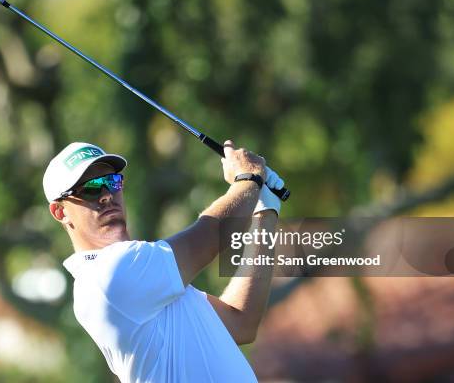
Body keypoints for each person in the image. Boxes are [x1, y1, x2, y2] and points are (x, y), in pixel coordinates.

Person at [43, 140, 284, 382]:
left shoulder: (148, 280)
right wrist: (248, 178)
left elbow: (241, 321)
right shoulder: (106, 275)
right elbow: (210, 235)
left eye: (112, 182)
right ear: (60, 212)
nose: (106, 195)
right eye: (90, 189)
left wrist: (265, 211)